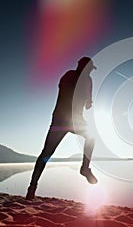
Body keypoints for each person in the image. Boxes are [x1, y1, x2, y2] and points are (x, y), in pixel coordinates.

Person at [26, 57, 98, 200]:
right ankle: (32, 187)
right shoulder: (70, 75)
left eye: (91, 70)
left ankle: (85, 168)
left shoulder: (88, 80)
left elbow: (87, 102)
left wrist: (88, 101)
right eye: (89, 68)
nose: (90, 71)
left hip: (75, 120)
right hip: (61, 119)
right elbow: (67, 91)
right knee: (46, 153)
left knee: (91, 137)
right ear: (82, 67)